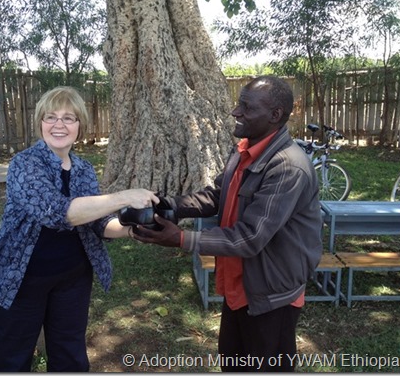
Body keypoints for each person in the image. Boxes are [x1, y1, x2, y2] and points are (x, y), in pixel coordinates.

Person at [133, 76, 323, 372]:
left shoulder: (288, 166)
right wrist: (170, 205)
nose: (236, 112)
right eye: (239, 104)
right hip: (239, 288)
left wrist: (182, 239)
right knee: (234, 365)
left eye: (246, 107)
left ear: (274, 115)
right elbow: (218, 195)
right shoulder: (244, 151)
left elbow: (250, 237)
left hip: (270, 296)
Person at [0, 86, 158, 372]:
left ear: (79, 125)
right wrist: (123, 197)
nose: (59, 124)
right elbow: (55, 212)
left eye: (69, 118)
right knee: (12, 359)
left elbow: (96, 224)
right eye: (51, 117)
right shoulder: (24, 164)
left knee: (69, 355)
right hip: (20, 280)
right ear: (40, 124)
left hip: (72, 279)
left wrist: (133, 230)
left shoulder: (83, 169)